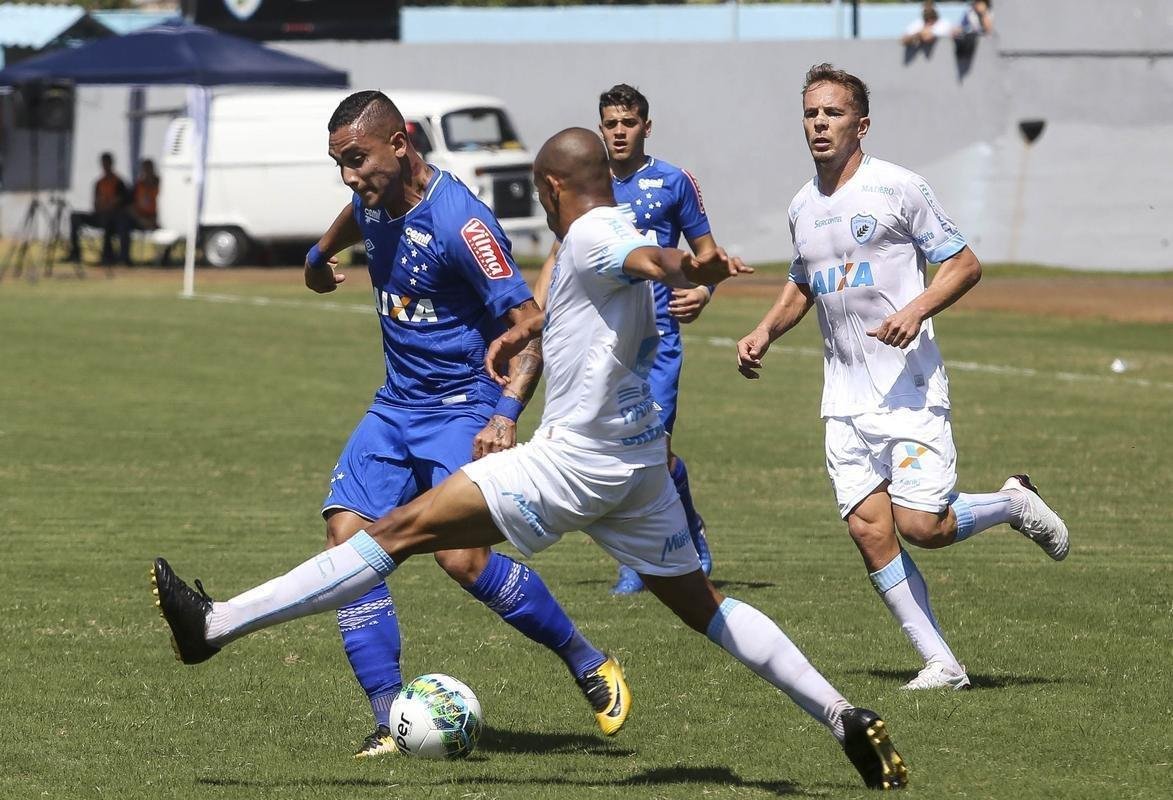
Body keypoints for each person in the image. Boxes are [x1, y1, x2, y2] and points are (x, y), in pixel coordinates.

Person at [152, 126, 909, 790]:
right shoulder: (606, 226)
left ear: (551, 189)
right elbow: (605, 283)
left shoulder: (587, 235)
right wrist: (533, 327)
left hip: (572, 464)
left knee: (392, 534)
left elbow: (636, 260)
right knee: (704, 608)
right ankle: (841, 714)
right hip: (639, 469)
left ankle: (216, 626)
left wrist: (682, 267)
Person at [260, 91, 630, 758]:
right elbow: (357, 214)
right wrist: (318, 256)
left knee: (463, 559)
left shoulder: (464, 224)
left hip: (460, 408)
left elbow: (526, 332)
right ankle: (387, 722)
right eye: (338, 163)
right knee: (345, 541)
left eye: (357, 159)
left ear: (399, 143)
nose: (349, 175)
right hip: (394, 406)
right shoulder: (375, 198)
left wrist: (505, 416)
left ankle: (586, 660)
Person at [736, 64, 1069, 691]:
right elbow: (805, 281)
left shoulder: (899, 188)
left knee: (925, 526)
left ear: (861, 124)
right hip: (842, 401)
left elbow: (964, 264)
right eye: (810, 113)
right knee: (869, 529)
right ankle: (942, 663)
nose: (819, 124)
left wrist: (915, 310)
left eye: (832, 113)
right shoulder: (802, 206)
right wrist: (764, 332)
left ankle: (1012, 503)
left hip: (908, 390)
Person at [592, 83, 721, 595]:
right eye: (610, 123)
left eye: (628, 123)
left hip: (659, 338)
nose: (618, 132)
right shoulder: (590, 184)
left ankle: (639, 561)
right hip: (605, 338)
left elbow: (708, 255)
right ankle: (689, 531)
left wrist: (704, 292)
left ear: (646, 126)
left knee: (648, 449)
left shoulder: (673, 181)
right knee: (633, 452)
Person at [67, 151, 131, 266]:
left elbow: (122, 202)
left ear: (112, 163)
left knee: (110, 220)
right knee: (75, 217)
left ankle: (109, 257)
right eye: (103, 163)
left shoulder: (119, 182)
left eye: (107, 163)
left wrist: (110, 206)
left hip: (114, 219)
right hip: (99, 215)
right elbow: (95, 204)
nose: (105, 166)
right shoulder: (99, 183)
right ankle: (75, 253)